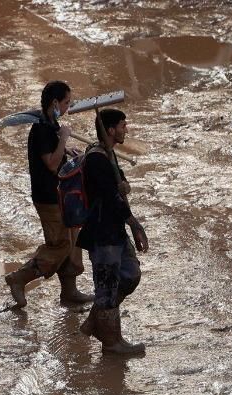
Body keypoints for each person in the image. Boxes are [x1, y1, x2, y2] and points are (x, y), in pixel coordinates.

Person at [3, 80, 92, 309]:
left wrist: (67, 150)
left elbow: (57, 156)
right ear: (54, 102)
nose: (67, 108)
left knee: (72, 242)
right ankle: (19, 278)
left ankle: (69, 293)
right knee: (59, 244)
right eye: (66, 103)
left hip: (62, 195)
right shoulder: (43, 129)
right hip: (48, 198)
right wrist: (63, 139)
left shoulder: (51, 125)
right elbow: (52, 164)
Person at [76, 109, 146, 356]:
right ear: (110, 129)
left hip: (114, 229)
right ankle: (112, 342)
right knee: (107, 287)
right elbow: (110, 198)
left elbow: (117, 189)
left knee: (131, 274)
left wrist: (123, 183)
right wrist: (135, 224)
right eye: (122, 125)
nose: (126, 129)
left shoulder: (108, 154)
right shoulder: (96, 158)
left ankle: (95, 321)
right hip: (102, 232)